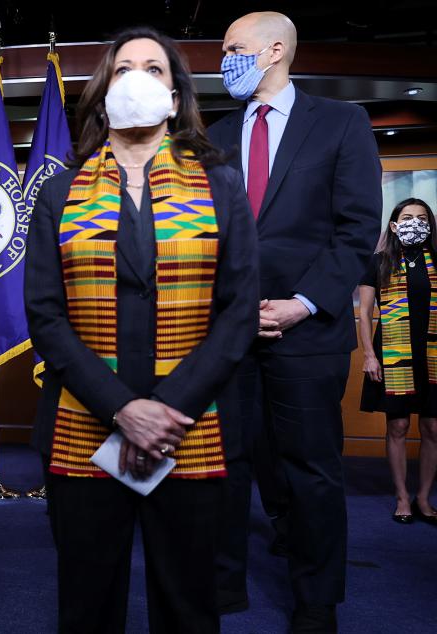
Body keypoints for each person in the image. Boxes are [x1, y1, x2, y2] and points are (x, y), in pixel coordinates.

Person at [24, 27, 258, 633]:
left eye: (154, 68)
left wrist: (164, 408)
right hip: (84, 423)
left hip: (193, 425)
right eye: (123, 67)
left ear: (176, 97)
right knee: (86, 602)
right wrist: (122, 408)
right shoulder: (57, 193)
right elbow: (46, 316)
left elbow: (238, 312)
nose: (137, 78)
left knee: (188, 604)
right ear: (104, 94)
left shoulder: (221, 185)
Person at [208, 11, 382, 631]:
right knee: (222, 466)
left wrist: (304, 303)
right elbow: (202, 238)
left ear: (273, 49)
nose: (223, 58)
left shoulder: (341, 122)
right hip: (226, 335)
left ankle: (315, 602)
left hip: (307, 334)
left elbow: (358, 228)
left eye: (232, 48)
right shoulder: (216, 134)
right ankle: (221, 591)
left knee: (309, 471)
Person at [358, 198, 437, 526]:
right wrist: (368, 355)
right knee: (399, 425)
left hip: (432, 354)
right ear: (393, 225)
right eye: (407, 217)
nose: (414, 222)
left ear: (430, 225)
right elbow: (363, 313)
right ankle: (403, 496)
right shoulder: (378, 262)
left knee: (433, 427)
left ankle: (423, 497)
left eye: (421, 218)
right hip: (393, 354)